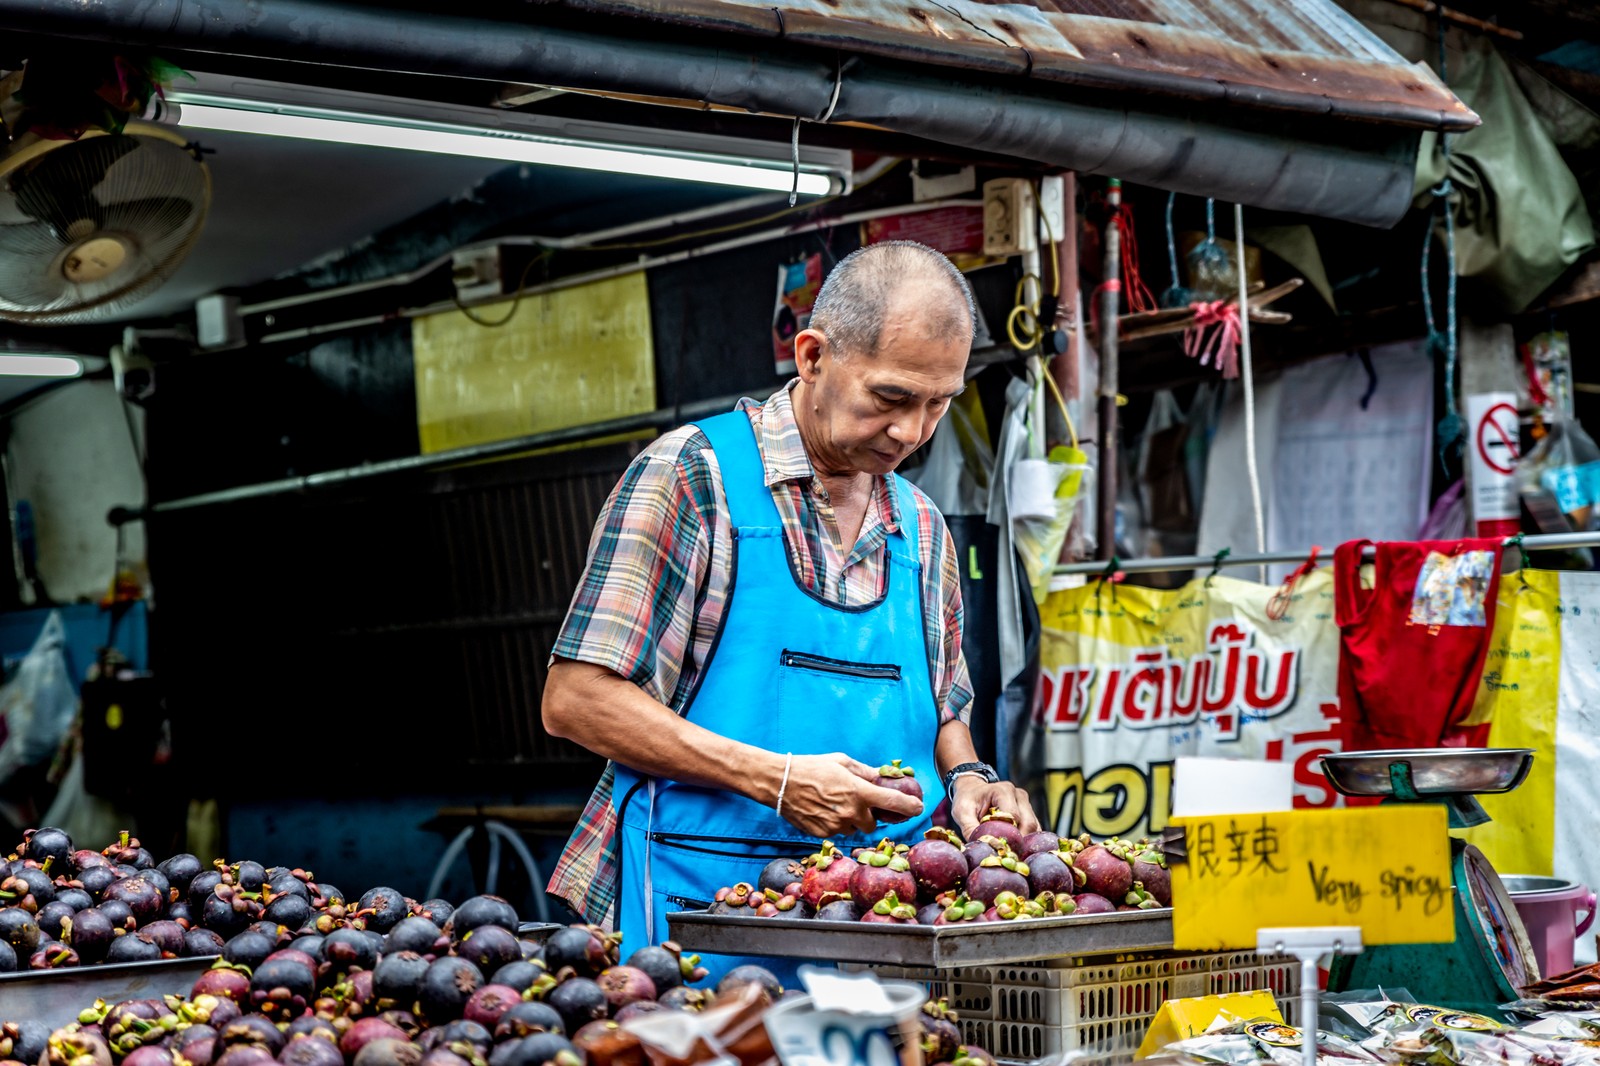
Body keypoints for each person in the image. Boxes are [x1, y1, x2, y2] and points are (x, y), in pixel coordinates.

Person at [542, 240, 1039, 983]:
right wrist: (776, 779)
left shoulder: (924, 528)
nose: (913, 432)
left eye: (939, 403)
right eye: (891, 398)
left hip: (883, 941)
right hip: (703, 920)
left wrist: (971, 779)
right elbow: (576, 701)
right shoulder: (691, 478)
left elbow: (944, 710)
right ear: (812, 356)